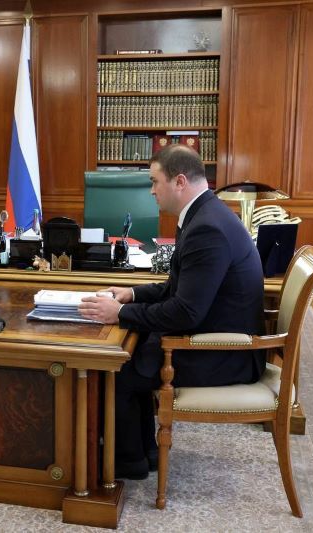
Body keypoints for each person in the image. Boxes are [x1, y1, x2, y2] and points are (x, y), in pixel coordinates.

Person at [78, 145, 266, 480]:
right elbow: (178, 288)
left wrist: (120, 314)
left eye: (155, 181)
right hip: (215, 335)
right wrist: (132, 294)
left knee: (114, 368)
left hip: (225, 352)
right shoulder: (204, 215)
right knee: (131, 353)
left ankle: (126, 461)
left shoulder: (207, 229)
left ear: (179, 181)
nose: (151, 190)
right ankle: (143, 454)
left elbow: (185, 312)